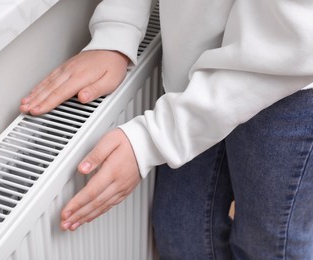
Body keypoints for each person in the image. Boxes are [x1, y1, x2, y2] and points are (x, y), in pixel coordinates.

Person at [20, 0, 313, 258]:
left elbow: (295, 37)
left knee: (270, 245)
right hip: (189, 71)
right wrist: (117, 28)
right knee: (182, 233)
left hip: (288, 87)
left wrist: (151, 140)